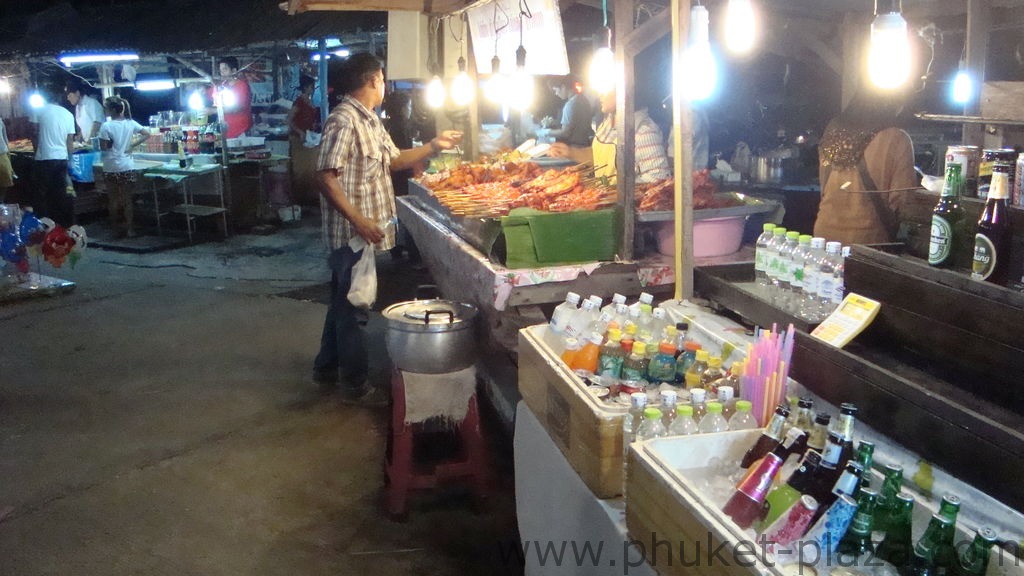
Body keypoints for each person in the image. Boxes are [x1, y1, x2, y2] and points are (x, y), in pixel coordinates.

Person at [313, 53, 462, 400]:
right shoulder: (344, 120)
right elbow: (324, 174)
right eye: (382, 78)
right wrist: (359, 220)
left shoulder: (371, 121)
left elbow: (394, 160)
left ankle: (325, 368)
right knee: (355, 309)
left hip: (362, 233)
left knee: (341, 303)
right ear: (372, 80)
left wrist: (431, 146)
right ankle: (355, 384)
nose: (384, 84)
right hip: (351, 236)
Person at [813, 90, 918, 245]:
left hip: (824, 238)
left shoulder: (833, 130)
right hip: (867, 242)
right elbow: (903, 201)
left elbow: (824, 187)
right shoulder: (897, 138)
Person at [549, 89, 670, 184]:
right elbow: (600, 157)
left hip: (624, 211)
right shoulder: (608, 121)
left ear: (623, 90)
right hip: (604, 204)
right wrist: (570, 152)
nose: (600, 95)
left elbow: (659, 177)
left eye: (606, 90)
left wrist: (621, 188)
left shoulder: (643, 130)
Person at [98, 96, 150, 238]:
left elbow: (103, 147)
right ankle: (130, 229)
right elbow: (147, 134)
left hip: (111, 167)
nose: (105, 110)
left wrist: (109, 143)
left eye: (106, 108)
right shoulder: (130, 123)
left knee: (113, 200)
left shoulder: (106, 126)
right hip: (127, 166)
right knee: (127, 199)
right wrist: (131, 145)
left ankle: (115, 229)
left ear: (113, 110)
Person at [30, 84, 76, 226]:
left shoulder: (39, 111)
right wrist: (70, 159)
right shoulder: (67, 114)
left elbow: (34, 134)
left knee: (43, 195)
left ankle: (45, 225)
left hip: (44, 159)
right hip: (61, 158)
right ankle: (63, 224)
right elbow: (70, 141)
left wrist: (36, 151)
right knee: (61, 193)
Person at [287, 74, 320, 205]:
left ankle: (309, 199)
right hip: (298, 139)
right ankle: (300, 201)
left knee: (310, 169)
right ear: (307, 87)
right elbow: (289, 120)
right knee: (300, 171)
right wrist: (299, 131)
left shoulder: (310, 101)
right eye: (312, 87)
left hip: (308, 139)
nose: (313, 89)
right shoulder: (299, 101)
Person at [542, 76, 593, 147]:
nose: (556, 94)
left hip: (575, 147)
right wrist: (554, 122)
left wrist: (546, 132)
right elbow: (575, 123)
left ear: (563, 87)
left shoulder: (570, 104)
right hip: (586, 145)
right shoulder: (583, 100)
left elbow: (565, 132)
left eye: (556, 90)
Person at [213, 57, 252, 139]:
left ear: (234, 71)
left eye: (225, 69)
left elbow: (237, 108)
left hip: (241, 131)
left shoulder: (242, 86)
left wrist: (212, 111)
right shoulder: (222, 86)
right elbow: (209, 94)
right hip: (226, 131)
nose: (222, 73)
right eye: (221, 71)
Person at [0, 117, 13, 202]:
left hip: (2, 153)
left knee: (6, 180)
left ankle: (1, 201)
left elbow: (5, 137)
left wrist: (8, 152)